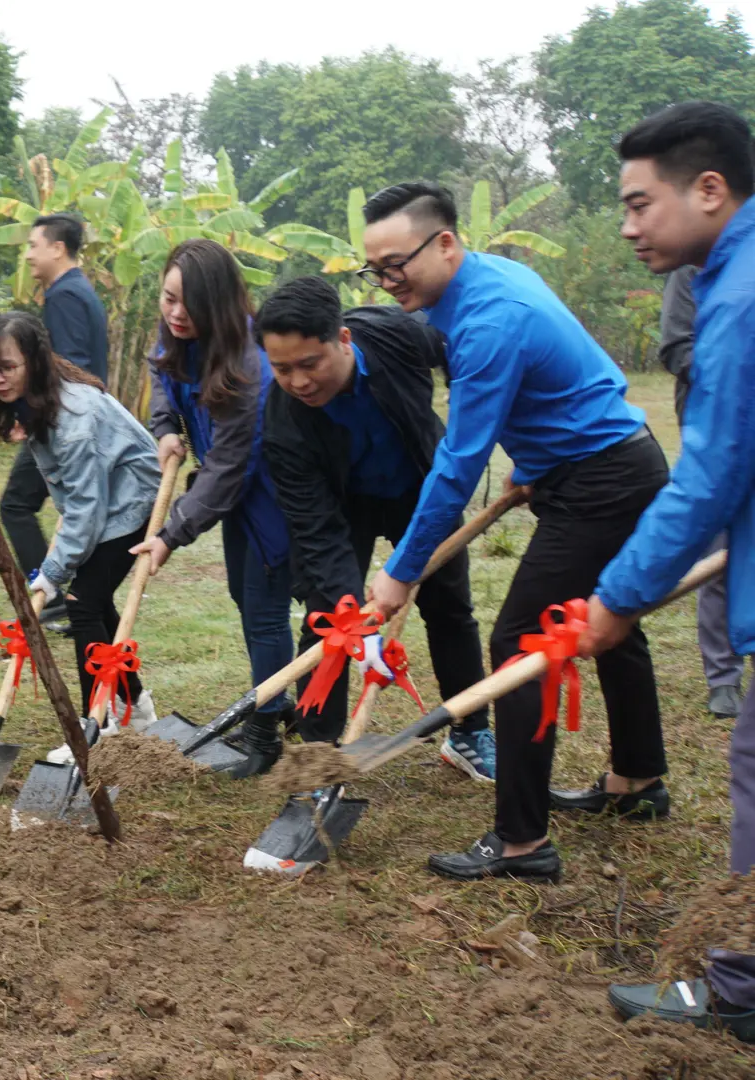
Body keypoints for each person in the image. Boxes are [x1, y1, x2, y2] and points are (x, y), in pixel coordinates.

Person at [356, 181, 668, 883]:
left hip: (602, 480)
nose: (385, 281)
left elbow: (457, 465)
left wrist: (402, 569)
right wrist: (535, 463)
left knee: (522, 641)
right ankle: (638, 782)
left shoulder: (488, 320)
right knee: (608, 621)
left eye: (394, 265)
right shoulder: (488, 280)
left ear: (444, 244)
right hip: (608, 461)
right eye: (373, 270)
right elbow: (575, 378)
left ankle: (523, 841)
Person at [581, 102, 755, 1041]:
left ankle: (739, 990)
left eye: (641, 204)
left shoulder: (737, 300)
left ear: (711, 190)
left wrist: (618, 597)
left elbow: (710, 475)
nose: (628, 225)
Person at [257, 276, 496, 778]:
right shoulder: (283, 423)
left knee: (449, 607)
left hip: (421, 487)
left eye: (309, 364)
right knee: (328, 617)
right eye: (281, 369)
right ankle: (318, 753)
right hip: (345, 504)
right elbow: (315, 528)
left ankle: (470, 732)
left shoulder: (399, 334)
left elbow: (464, 350)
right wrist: (356, 618)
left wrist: (471, 405)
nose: (298, 382)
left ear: (343, 339)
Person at [131, 238, 293, 777]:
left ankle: (265, 730)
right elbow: (160, 369)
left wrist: (171, 533)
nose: (176, 314)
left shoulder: (251, 365)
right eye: (168, 298)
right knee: (242, 596)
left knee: (265, 609)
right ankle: (281, 694)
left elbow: (229, 469)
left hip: (273, 494)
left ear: (219, 303)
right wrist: (164, 428)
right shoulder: (176, 332)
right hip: (234, 487)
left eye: (190, 304)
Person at [0, 311, 159, 761]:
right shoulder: (38, 402)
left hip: (130, 501)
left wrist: (53, 572)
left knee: (83, 605)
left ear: (34, 362)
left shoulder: (73, 419)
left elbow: (88, 510)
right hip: (102, 496)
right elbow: (77, 498)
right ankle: (135, 705)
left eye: (7, 367)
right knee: (96, 600)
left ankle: (99, 721)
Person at [0, 214, 109, 630]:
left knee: (16, 505)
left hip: (64, 423)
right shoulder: (80, 291)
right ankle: (75, 601)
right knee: (78, 511)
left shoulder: (64, 295)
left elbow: (70, 363)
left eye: (33, 245)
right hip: (75, 419)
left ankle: (51, 596)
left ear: (57, 248)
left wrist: (31, 417)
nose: (28, 254)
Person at [659, 267, 748, 718]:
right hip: (717, 430)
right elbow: (676, 347)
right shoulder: (693, 266)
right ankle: (723, 676)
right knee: (718, 555)